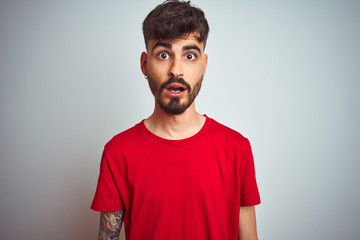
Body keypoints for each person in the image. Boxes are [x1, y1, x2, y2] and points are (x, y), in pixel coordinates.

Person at [91, 1, 261, 239]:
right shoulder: (118, 153)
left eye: (189, 55)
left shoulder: (237, 148)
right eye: (163, 55)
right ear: (144, 64)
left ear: (204, 65)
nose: (176, 70)